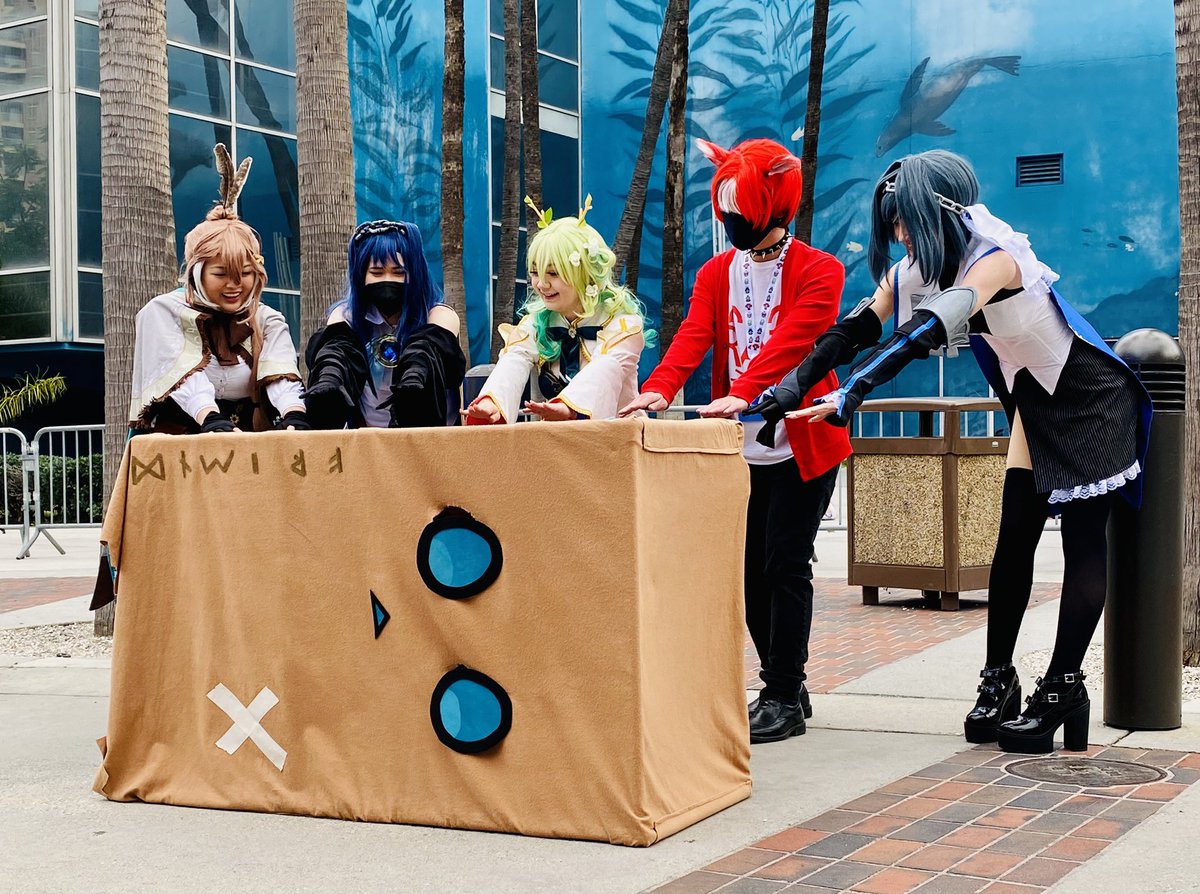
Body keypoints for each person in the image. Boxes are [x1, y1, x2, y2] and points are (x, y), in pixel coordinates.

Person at [766, 150, 1151, 754]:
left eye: (903, 218)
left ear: (934, 209)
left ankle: (1062, 688)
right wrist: (790, 386)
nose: (898, 233)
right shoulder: (919, 267)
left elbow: (929, 328)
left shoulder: (994, 257)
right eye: (891, 221)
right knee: (1013, 537)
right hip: (1034, 399)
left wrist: (853, 392)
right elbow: (856, 328)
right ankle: (999, 680)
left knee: (1082, 545)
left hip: (1089, 398)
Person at [620, 138, 852, 744]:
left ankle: (782, 694)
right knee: (747, 570)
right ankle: (785, 681)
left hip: (803, 440)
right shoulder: (715, 272)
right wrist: (659, 389)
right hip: (739, 446)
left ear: (774, 204)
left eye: (740, 209)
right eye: (725, 210)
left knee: (785, 562)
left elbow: (793, 345)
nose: (731, 221)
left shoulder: (822, 270)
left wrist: (745, 391)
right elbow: (693, 334)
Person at [129, 144, 307, 434]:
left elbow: (280, 372)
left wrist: (294, 414)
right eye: (221, 274)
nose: (234, 285)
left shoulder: (267, 319)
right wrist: (210, 418)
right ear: (196, 271)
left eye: (245, 273)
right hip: (178, 444)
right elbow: (178, 375)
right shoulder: (162, 312)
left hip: (247, 442)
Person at [465, 196, 649, 424]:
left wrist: (570, 407)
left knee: (608, 363)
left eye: (553, 274)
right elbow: (514, 359)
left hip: (620, 437)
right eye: (535, 273)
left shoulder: (622, 325)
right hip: (560, 438)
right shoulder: (536, 323)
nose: (541, 284)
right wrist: (492, 402)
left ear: (585, 274)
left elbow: (607, 367)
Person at [305, 220, 465, 429]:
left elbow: (432, 345)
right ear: (361, 275)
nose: (388, 280)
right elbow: (337, 348)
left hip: (427, 434)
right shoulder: (347, 315)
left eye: (399, 272)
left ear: (415, 273)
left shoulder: (437, 314)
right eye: (377, 273)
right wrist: (329, 376)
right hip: (369, 437)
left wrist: (416, 371)